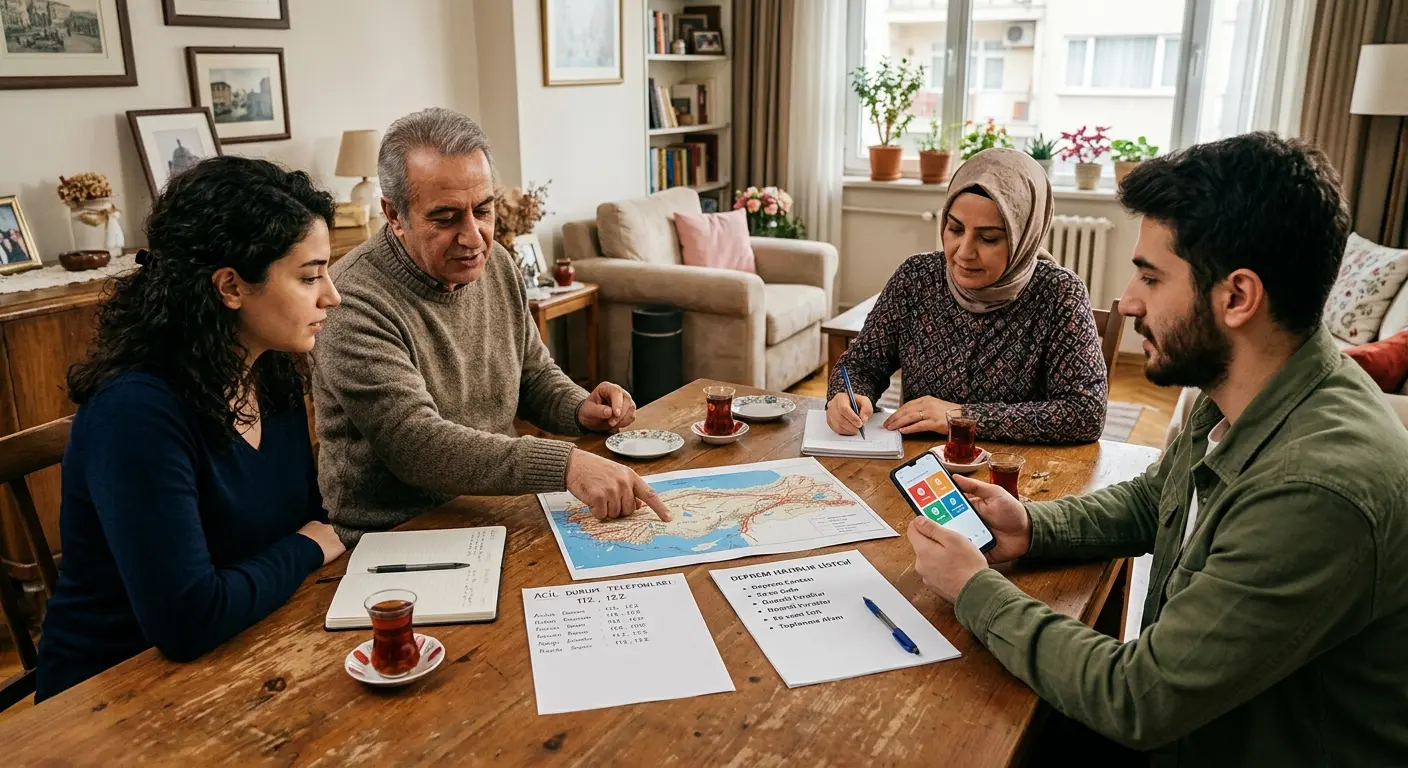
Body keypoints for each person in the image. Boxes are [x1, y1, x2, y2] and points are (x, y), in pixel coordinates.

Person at [905, 132, 1408, 763]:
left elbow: (1137, 700)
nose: (1129, 301)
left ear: (1237, 297)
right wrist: (1031, 526)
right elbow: (1156, 499)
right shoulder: (1245, 390)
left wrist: (974, 588)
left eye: (1150, 275)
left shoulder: (1314, 490)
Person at [35, 156, 347, 701]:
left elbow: (309, 520)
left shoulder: (270, 369)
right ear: (230, 286)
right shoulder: (134, 412)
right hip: (111, 694)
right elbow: (187, 619)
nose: (332, 296)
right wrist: (307, 548)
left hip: (243, 647)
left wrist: (312, 540)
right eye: (308, 276)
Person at [312, 108, 670, 547]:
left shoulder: (496, 262)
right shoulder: (351, 300)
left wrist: (580, 407)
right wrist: (566, 465)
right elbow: (415, 445)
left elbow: (533, 375)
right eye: (446, 218)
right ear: (394, 214)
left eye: (483, 210)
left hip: (497, 508)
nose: (473, 236)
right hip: (396, 533)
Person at [825, 148, 1107, 444]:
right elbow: (861, 364)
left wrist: (961, 417)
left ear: (1024, 236)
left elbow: (1086, 413)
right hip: (921, 463)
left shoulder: (1059, 292)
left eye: (988, 238)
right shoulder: (917, 277)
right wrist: (847, 395)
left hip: (1015, 467)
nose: (964, 252)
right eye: (955, 229)